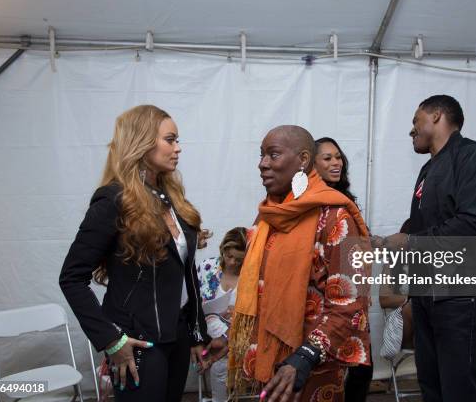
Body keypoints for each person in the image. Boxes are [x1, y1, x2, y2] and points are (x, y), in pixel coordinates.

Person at [59, 105, 213, 402]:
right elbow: (71, 278)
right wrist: (111, 340)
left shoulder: (172, 199)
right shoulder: (113, 200)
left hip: (178, 334)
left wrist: (196, 332)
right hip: (138, 340)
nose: (178, 148)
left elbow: (186, 272)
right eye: (170, 139)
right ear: (142, 141)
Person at [228, 125, 372, 402]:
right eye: (261, 155)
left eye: (273, 155)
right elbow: (260, 287)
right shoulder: (270, 214)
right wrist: (233, 331)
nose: (262, 164)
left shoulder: (337, 217)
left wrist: (305, 356)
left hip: (313, 369)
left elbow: (350, 301)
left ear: (303, 160)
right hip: (271, 364)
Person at [383, 95, 476, 402]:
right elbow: (427, 222)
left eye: (415, 120)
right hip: (426, 292)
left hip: (461, 294)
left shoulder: (475, 158)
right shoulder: (427, 169)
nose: (412, 130)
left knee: (460, 386)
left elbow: (473, 225)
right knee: (432, 382)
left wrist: (410, 241)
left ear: (436, 115)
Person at [314, 137, 372, 402]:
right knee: (332, 375)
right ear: (311, 164)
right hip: (327, 307)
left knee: (360, 373)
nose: (336, 162)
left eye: (338, 157)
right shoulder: (311, 202)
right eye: (327, 158)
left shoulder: (344, 201)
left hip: (354, 302)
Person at [197, 227, 247, 402]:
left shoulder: (250, 276)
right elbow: (194, 305)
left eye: (239, 259)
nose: (233, 262)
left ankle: (220, 398)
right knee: (219, 341)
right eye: (229, 255)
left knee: (222, 355)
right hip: (207, 331)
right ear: (223, 249)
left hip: (238, 334)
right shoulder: (206, 267)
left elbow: (252, 316)